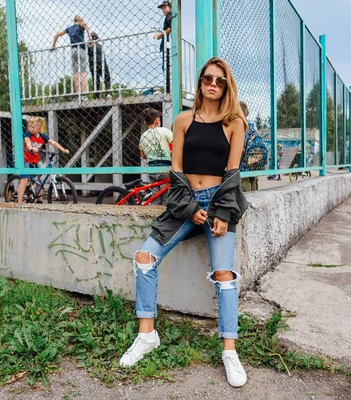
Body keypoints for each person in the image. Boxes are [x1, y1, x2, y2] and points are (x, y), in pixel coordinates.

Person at [119, 57, 249, 388]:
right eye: (208, 78)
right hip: (184, 202)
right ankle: (147, 335)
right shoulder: (182, 121)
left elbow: (233, 173)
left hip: (219, 202)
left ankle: (229, 350)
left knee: (224, 275)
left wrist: (222, 212)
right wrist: (190, 207)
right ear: (200, 81)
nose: (213, 85)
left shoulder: (235, 123)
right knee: (144, 258)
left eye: (220, 81)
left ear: (226, 86)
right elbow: (176, 171)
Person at [17, 117, 69, 204]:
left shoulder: (42, 136)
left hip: (35, 161)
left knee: (38, 179)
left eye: (32, 127)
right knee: (24, 181)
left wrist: (63, 149)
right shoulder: (28, 134)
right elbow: (27, 141)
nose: (30, 129)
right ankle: (19, 203)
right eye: (29, 126)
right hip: (26, 161)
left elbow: (53, 142)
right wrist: (30, 148)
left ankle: (39, 200)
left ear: (39, 128)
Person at [51, 16, 92, 96]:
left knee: (76, 73)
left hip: (73, 50)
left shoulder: (69, 29)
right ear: (80, 20)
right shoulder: (81, 25)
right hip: (81, 49)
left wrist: (53, 45)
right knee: (83, 72)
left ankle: (77, 94)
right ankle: (83, 94)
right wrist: (89, 36)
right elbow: (86, 25)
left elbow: (57, 35)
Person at [139, 108, 173, 205]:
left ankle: (155, 217)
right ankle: (165, 217)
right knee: (166, 195)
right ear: (157, 120)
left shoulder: (143, 136)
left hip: (152, 169)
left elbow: (143, 156)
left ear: (145, 123)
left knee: (155, 195)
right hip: (165, 167)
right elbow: (177, 143)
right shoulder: (164, 131)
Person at [239, 101, 268, 192]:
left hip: (243, 164)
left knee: (245, 186)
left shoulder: (239, 125)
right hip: (254, 163)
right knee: (254, 183)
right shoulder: (252, 126)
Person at [155, 1, 173, 93]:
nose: (163, 10)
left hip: (168, 44)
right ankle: (168, 88)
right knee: (166, 66)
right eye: (162, 8)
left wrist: (160, 35)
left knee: (166, 67)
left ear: (170, 7)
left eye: (165, 7)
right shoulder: (167, 17)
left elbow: (170, 28)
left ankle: (168, 89)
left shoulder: (169, 16)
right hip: (166, 44)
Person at [87, 31, 112, 98]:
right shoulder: (99, 46)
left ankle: (96, 96)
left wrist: (88, 44)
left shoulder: (89, 47)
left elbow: (89, 53)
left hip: (92, 64)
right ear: (97, 38)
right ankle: (108, 93)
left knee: (95, 80)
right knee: (107, 78)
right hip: (101, 63)